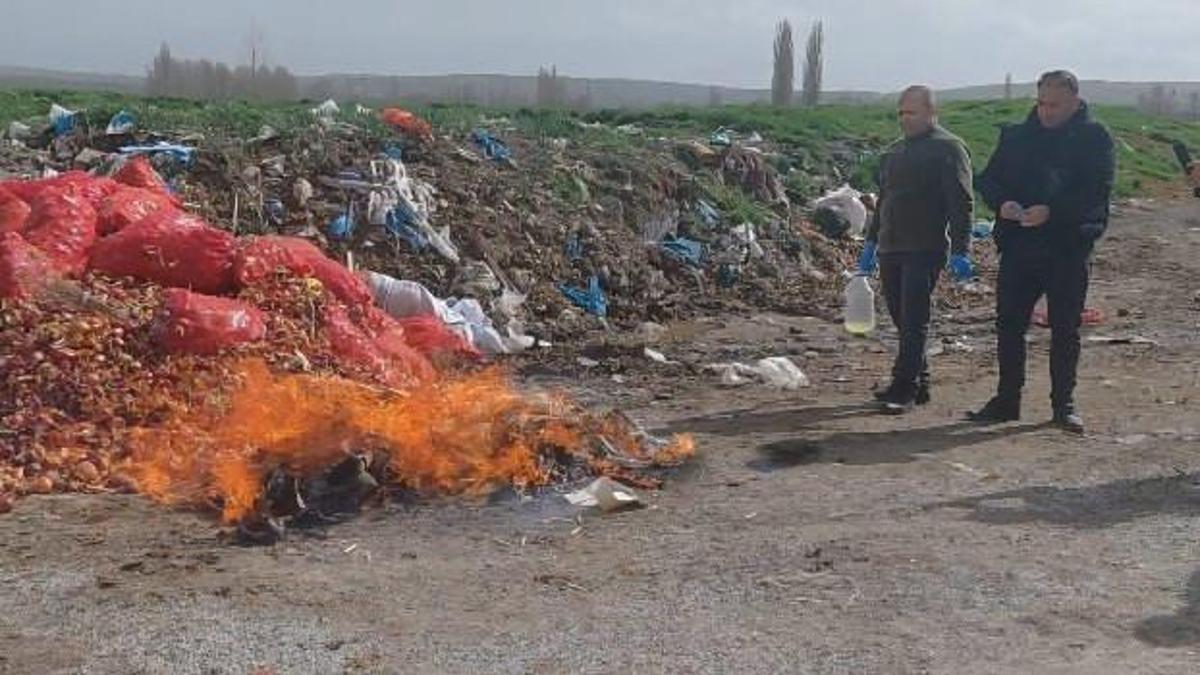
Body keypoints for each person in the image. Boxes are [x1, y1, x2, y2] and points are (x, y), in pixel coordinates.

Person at [969, 70, 1115, 434]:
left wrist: (1053, 211)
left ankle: (1063, 404)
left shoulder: (1093, 139)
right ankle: (1007, 400)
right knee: (1009, 324)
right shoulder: (1018, 136)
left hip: (1068, 245)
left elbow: (1096, 192)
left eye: (1055, 105)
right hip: (1019, 244)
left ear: (1075, 102)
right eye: (1041, 104)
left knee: (1065, 327)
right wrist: (1002, 203)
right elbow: (988, 179)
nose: (1046, 112)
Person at [859, 85, 975, 414]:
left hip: (925, 246)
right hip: (891, 245)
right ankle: (920, 381)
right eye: (901, 113)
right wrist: (871, 241)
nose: (905, 119)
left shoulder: (948, 149)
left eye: (912, 112)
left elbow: (960, 202)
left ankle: (904, 387)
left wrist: (961, 248)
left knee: (914, 319)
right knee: (900, 316)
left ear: (931, 113)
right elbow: (885, 200)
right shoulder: (895, 152)